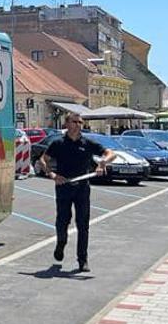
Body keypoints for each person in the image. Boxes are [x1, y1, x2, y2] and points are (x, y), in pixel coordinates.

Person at [39, 113, 114, 272]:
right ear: (67, 123)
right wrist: (52, 175)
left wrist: (102, 163)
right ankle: (61, 243)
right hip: (64, 186)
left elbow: (111, 154)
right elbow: (42, 160)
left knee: (83, 224)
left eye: (80, 122)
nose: (79, 124)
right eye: (75, 122)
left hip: (82, 187)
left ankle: (82, 260)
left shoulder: (87, 143)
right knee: (63, 221)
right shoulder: (58, 143)